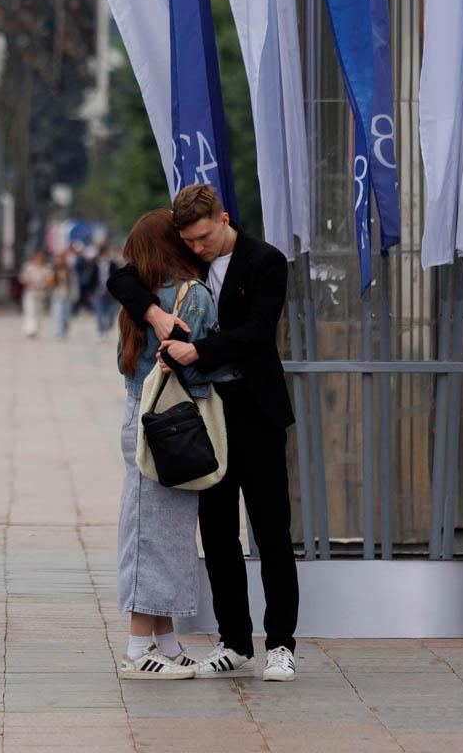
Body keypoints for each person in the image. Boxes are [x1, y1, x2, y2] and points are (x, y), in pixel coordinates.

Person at [108, 183, 299, 682]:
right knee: (216, 535)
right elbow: (122, 277)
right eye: (187, 241)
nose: (197, 248)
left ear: (224, 218)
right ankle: (234, 641)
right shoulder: (182, 267)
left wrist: (201, 354)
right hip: (203, 420)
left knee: (271, 530)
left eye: (202, 237)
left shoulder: (266, 260)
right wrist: (152, 311)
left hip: (255, 413)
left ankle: (280, 642)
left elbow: (258, 330)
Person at [111, 209, 230, 680]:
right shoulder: (192, 296)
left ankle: (164, 640)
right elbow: (199, 368)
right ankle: (139, 649)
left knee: (157, 527)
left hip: (140, 415)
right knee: (157, 534)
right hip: (172, 423)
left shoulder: (143, 301)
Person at [19, 249, 54, 339]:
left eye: (41, 258)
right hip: (30, 292)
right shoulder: (29, 266)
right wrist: (28, 283)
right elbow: (23, 277)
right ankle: (30, 330)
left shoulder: (46, 268)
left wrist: (47, 283)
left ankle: (36, 328)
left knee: (38, 312)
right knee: (30, 311)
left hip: (41, 293)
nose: (39, 260)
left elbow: (50, 280)